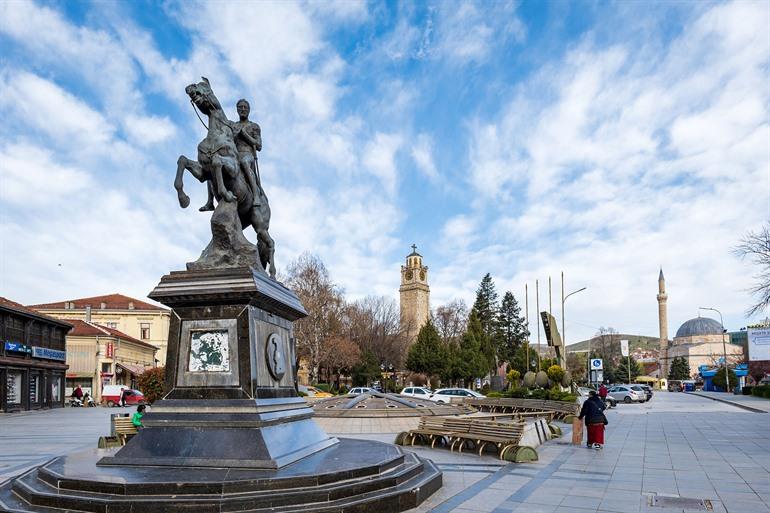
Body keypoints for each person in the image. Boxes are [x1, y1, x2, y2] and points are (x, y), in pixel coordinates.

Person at [199, 98, 263, 211]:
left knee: (244, 162)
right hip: (233, 155)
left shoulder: (254, 126)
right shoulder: (232, 125)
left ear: (248, 110)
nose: (243, 109)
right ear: (237, 110)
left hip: (247, 154)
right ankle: (210, 201)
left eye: (245, 107)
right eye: (240, 107)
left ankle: (256, 195)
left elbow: (258, 145)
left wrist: (245, 135)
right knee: (212, 165)